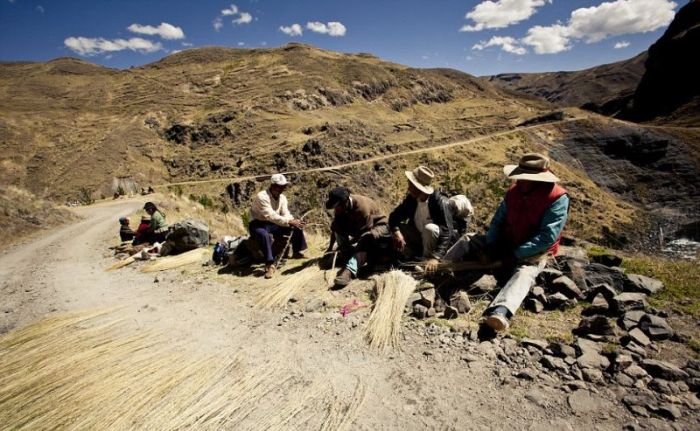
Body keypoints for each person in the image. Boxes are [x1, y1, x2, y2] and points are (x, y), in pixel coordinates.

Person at [446, 153, 569, 333]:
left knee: (525, 273)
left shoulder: (557, 198)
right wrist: (491, 246)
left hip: (532, 251)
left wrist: (513, 255)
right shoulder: (514, 192)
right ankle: (441, 269)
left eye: (526, 178)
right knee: (468, 240)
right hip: (506, 242)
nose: (521, 182)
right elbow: (498, 221)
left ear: (539, 180)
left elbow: (546, 238)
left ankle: (501, 311)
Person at [388, 166, 457, 274]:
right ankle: (408, 256)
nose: (409, 188)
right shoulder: (412, 200)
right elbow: (394, 216)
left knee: (430, 228)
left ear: (419, 188)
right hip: (419, 238)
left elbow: (448, 231)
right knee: (398, 228)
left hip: (434, 245)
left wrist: (436, 257)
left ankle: (426, 262)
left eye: (411, 185)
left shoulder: (439, 202)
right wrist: (396, 232)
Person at [325, 187, 392, 288]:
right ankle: (346, 254)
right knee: (338, 228)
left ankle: (349, 270)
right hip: (357, 227)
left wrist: (349, 243)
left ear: (346, 202)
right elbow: (335, 228)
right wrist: (330, 249)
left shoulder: (362, 208)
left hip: (378, 227)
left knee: (366, 238)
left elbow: (363, 234)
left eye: (338, 206)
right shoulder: (340, 209)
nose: (336, 209)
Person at [249, 174, 307, 279]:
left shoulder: (282, 198)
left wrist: (292, 220)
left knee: (296, 226)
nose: (282, 189)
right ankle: (269, 263)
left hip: (273, 223)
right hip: (257, 223)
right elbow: (271, 215)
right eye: (280, 186)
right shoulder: (262, 196)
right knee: (264, 235)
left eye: (283, 186)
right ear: (273, 185)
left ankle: (297, 251)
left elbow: (285, 213)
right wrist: (289, 221)